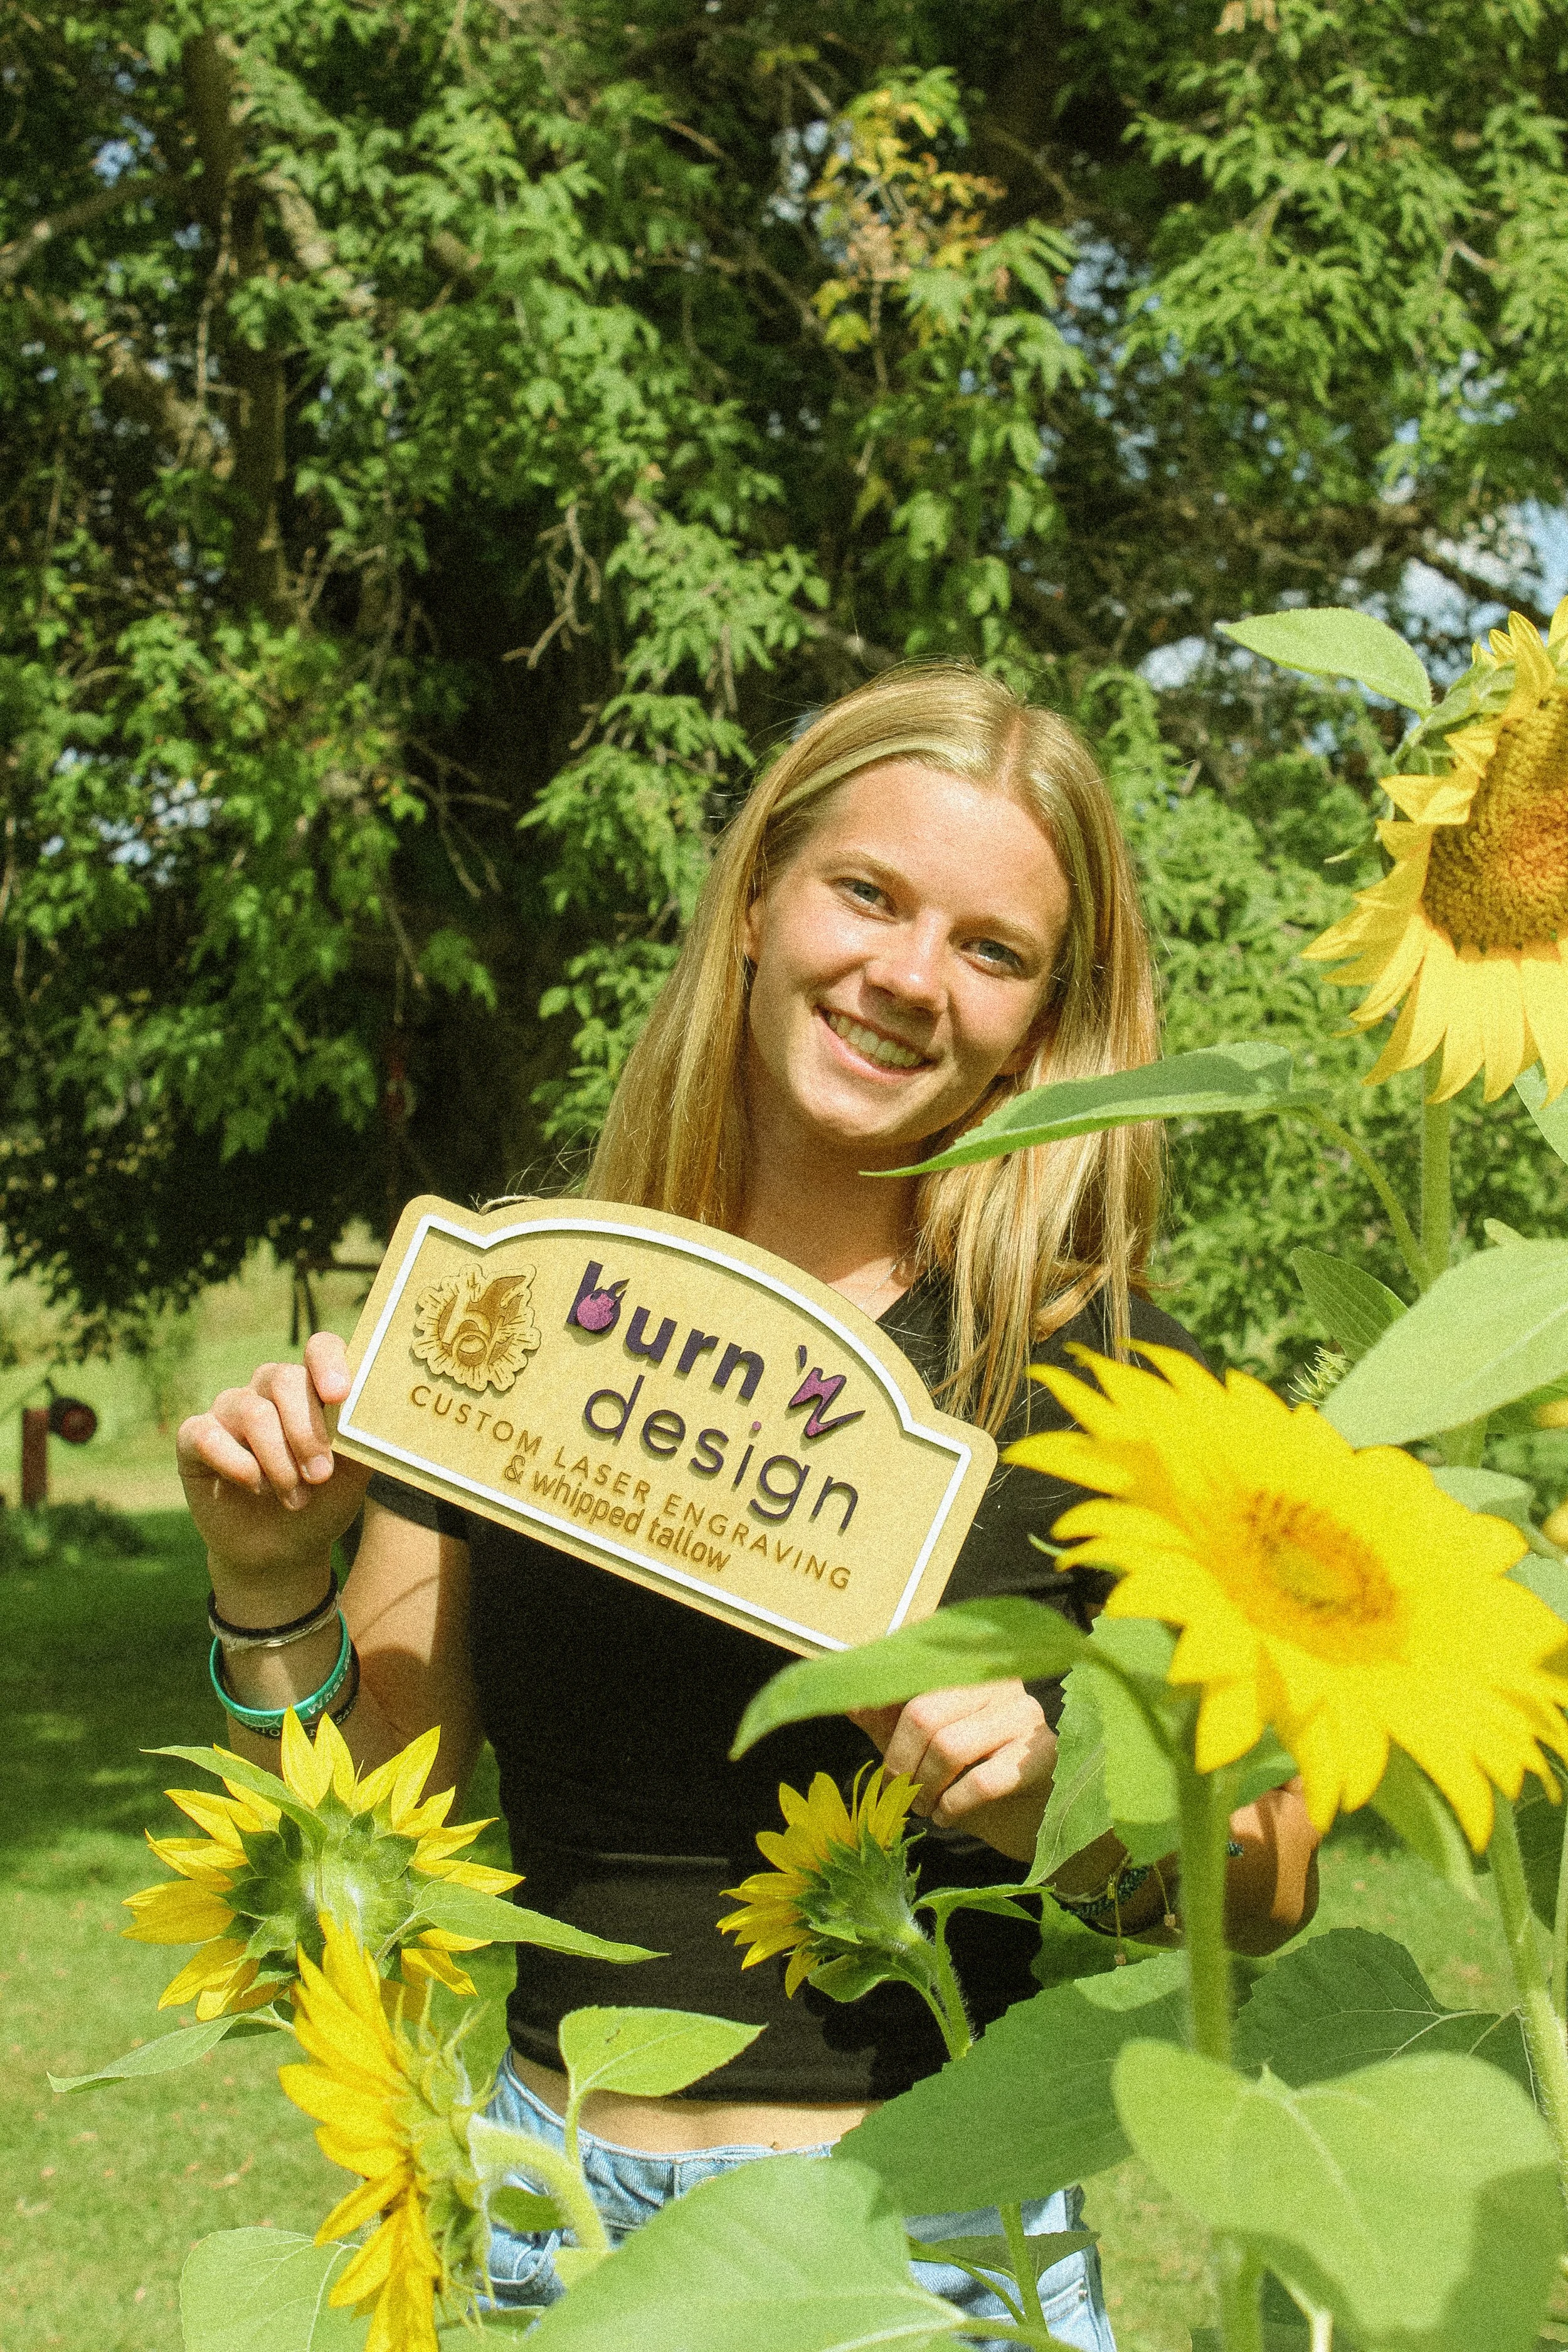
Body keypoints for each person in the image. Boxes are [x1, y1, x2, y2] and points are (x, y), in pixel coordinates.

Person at [178, 664, 1319, 2350]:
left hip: (919, 2246)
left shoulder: (1117, 1380)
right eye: (865, 892)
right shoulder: (522, 1304)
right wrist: (268, 1579)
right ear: (755, 901)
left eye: (990, 949)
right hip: (536, 2223)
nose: (905, 976)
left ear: (1048, 1023)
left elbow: (1273, 1879)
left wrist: (1053, 1805)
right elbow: (382, 1818)